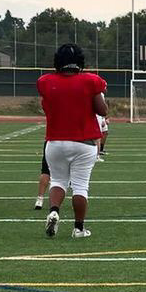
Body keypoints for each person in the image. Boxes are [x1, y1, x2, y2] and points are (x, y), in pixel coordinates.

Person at [37, 43, 107, 238]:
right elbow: (103, 111)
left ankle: (54, 211)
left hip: (55, 141)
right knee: (80, 185)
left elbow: (46, 106)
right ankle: (78, 228)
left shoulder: (45, 81)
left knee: (58, 181)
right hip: (84, 142)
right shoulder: (91, 81)